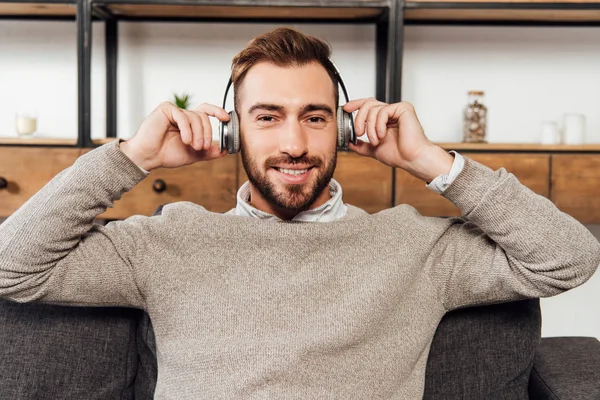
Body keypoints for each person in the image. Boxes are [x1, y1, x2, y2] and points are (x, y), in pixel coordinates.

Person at [0, 27, 598, 399]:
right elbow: (11, 269)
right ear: (231, 133)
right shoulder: (167, 242)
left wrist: (428, 159)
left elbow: (569, 260)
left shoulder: (415, 247)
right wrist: (130, 158)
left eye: (314, 117)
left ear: (341, 129)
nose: (293, 143)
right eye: (267, 117)